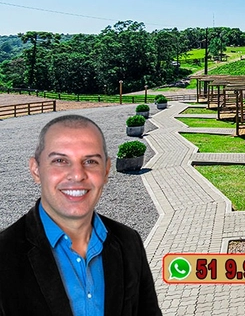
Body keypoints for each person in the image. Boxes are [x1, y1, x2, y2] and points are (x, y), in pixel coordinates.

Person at [0, 114, 162, 316]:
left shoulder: (129, 242)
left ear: (106, 170)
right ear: (36, 170)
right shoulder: (4, 254)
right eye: (60, 160)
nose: (77, 175)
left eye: (91, 161)